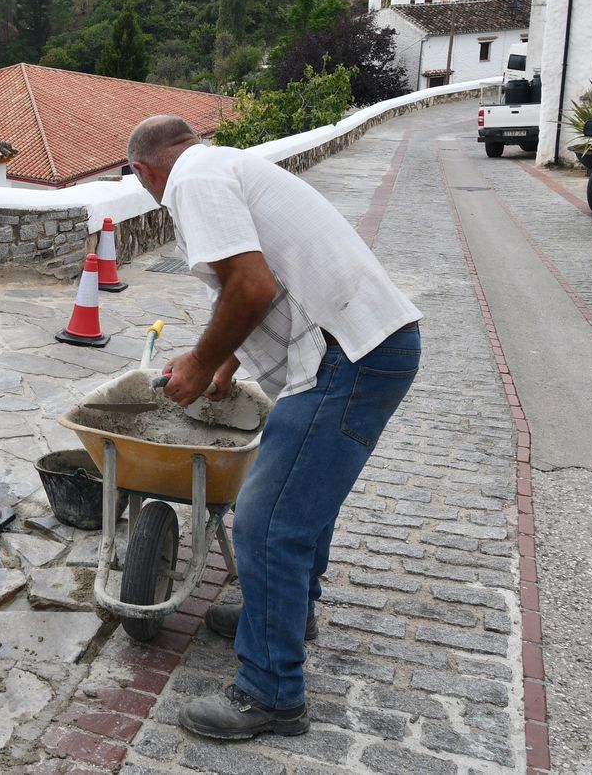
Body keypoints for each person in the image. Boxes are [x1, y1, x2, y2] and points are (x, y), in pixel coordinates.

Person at [125, 115, 421, 741]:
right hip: (371, 342)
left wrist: (200, 361)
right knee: (302, 500)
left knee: (266, 519)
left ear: (144, 171)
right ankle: (288, 614)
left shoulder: (189, 181)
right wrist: (224, 360)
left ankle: (270, 692)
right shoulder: (223, 164)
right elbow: (261, 281)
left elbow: (252, 286)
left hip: (349, 354)